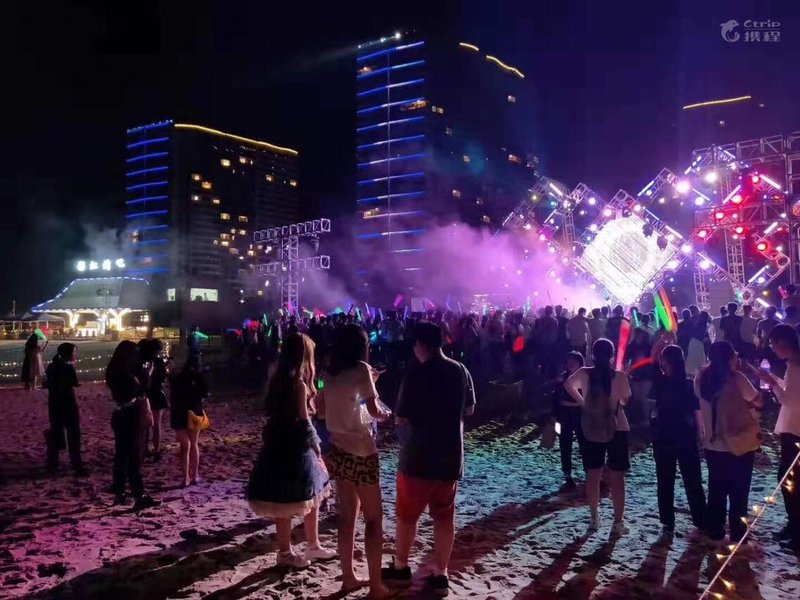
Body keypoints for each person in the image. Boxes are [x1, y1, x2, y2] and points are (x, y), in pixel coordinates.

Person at [382, 322, 476, 597]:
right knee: (444, 517)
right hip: (450, 457)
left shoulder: (416, 374)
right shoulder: (460, 370)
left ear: (419, 345)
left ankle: (401, 568)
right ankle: (440, 574)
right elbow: (470, 409)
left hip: (418, 458)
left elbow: (401, 416)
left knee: (407, 516)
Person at [246, 333, 335, 568]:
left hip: (277, 441)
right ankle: (290, 551)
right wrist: (317, 446)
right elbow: (304, 421)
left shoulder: (277, 378)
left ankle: (306, 546)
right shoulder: (298, 384)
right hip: (296, 446)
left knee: (293, 497)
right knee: (303, 495)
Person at [322, 324, 392, 597]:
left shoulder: (329, 373)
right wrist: (387, 415)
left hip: (337, 448)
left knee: (347, 515)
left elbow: (329, 408)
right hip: (361, 450)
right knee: (374, 518)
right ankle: (376, 586)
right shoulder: (362, 369)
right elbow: (373, 411)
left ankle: (348, 578)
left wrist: (369, 383)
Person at [695, 342, 762, 543]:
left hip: (712, 443)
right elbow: (758, 400)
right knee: (739, 492)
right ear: (730, 357)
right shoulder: (737, 378)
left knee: (716, 490)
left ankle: (716, 531)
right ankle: (737, 534)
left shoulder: (701, 378)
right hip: (738, 442)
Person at [564, 338, 632, 535]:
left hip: (592, 426)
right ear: (611, 355)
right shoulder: (619, 376)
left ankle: (594, 517)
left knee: (593, 475)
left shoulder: (585, 373)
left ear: (593, 354)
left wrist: (584, 402)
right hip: (617, 427)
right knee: (617, 477)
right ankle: (617, 522)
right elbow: (624, 402)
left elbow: (567, 384)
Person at [650, 343, 706, 534]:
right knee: (692, 478)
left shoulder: (661, 381)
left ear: (666, 361)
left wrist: (659, 346)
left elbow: (652, 362)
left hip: (664, 434)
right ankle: (700, 517)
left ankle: (667, 519)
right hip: (685, 433)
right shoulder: (688, 383)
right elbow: (696, 409)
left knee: (665, 479)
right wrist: (700, 431)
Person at [756, 325, 800, 552]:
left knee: (790, 481)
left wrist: (771, 383)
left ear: (784, 342)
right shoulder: (793, 365)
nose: (772, 348)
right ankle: (793, 526)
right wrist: (772, 378)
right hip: (792, 427)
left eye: (773, 343)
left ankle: (797, 531)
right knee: (789, 480)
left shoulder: (796, 366)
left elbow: (789, 401)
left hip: (795, 429)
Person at [106, 341, 160, 510]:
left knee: (121, 456)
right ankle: (139, 495)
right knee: (134, 457)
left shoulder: (113, 371)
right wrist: (148, 374)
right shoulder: (127, 375)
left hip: (119, 414)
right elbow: (140, 391)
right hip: (131, 415)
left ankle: (120, 492)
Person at [44, 343, 87, 476]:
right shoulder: (68, 368)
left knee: (56, 434)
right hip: (68, 404)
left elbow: (47, 384)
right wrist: (77, 405)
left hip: (54, 404)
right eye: (74, 352)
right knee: (74, 435)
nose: (75, 354)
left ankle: (53, 464)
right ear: (68, 354)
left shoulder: (51, 366)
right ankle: (77, 465)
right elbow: (72, 387)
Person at [170, 355, 208, 487]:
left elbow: (173, 395)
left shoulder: (178, 377)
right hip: (195, 411)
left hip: (179, 412)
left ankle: (185, 477)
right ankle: (195, 475)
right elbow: (204, 394)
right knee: (194, 443)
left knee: (185, 446)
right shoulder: (199, 377)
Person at [556, 352, 586, 489]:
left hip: (580, 415)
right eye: (569, 362)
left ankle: (589, 470)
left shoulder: (585, 379)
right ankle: (567, 474)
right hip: (564, 417)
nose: (570, 364)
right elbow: (558, 400)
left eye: (573, 362)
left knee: (585, 444)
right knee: (565, 445)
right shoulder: (563, 378)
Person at [140, 339, 169, 460]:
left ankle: (145, 448)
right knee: (156, 425)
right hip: (157, 393)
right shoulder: (159, 362)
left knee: (145, 424)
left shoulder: (145, 362)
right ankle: (156, 450)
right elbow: (164, 377)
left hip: (148, 393)